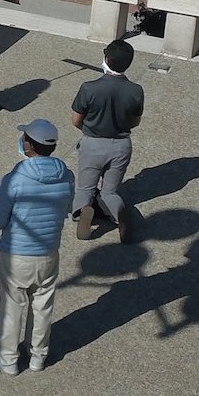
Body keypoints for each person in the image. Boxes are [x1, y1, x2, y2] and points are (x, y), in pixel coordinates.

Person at [0, 119, 74, 375]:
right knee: (43, 304)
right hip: (49, 251)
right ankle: (38, 357)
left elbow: (0, 218)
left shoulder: (14, 178)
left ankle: (7, 360)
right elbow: (68, 207)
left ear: (28, 144)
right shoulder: (66, 174)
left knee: (11, 306)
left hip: (16, 254)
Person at [71, 39, 144, 243]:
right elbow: (135, 121)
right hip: (121, 145)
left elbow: (76, 119)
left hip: (93, 143)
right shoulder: (136, 90)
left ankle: (83, 211)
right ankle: (119, 214)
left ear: (106, 59)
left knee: (85, 188)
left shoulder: (89, 88)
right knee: (110, 191)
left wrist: (88, 130)